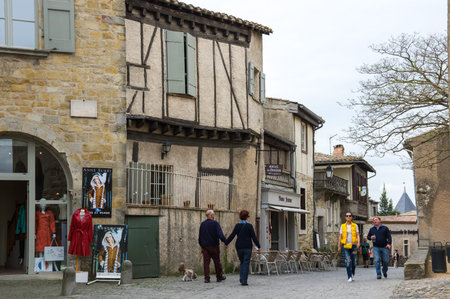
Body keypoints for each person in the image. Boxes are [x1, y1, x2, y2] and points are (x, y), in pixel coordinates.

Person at [225, 210, 261, 286]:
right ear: (247, 217)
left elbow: (232, 235)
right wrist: (258, 246)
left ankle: (242, 278)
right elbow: (254, 237)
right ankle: (244, 280)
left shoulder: (237, 226)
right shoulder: (249, 226)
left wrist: (226, 242)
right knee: (246, 262)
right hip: (247, 246)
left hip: (239, 246)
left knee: (242, 262)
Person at [198, 210, 227, 283]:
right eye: (213, 214)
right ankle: (219, 277)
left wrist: (201, 246)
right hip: (214, 246)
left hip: (205, 246)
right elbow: (220, 234)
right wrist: (225, 241)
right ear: (212, 215)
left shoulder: (202, 224)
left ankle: (207, 278)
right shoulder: (215, 223)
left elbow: (200, 236)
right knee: (217, 261)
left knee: (206, 263)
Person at [338, 212, 360, 282]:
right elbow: (340, 236)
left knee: (353, 262)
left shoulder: (355, 226)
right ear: (345, 217)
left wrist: (358, 243)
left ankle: (352, 274)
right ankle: (349, 276)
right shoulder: (342, 226)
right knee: (348, 261)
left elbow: (358, 235)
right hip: (345, 245)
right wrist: (338, 246)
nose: (348, 217)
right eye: (347, 216)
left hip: (353, 245)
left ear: (351, 217)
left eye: (349, 216)